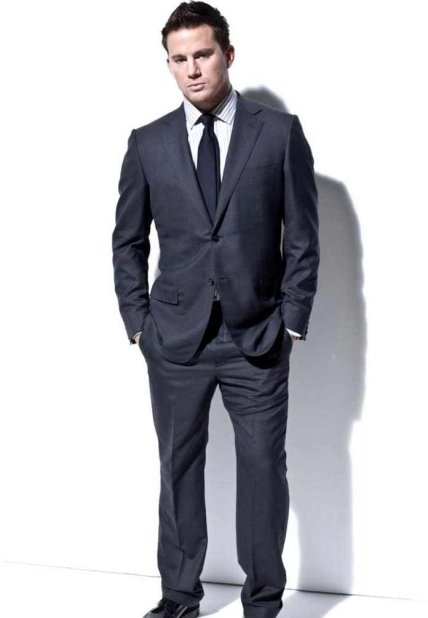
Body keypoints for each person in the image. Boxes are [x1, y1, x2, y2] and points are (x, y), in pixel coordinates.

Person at [112, 2, 319, 618]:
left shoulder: (277, 133)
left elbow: (302, 235)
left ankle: (263, 602)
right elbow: (128, 241)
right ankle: (180, 597)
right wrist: (138, 325)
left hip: (257, 335)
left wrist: (291, 320)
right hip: (174, 338)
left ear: (228, 54)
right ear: (169, 65)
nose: (193, 69)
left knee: (262, 470)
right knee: (177, 468)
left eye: (203, 54)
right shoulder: (148, 142)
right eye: (179, 59)